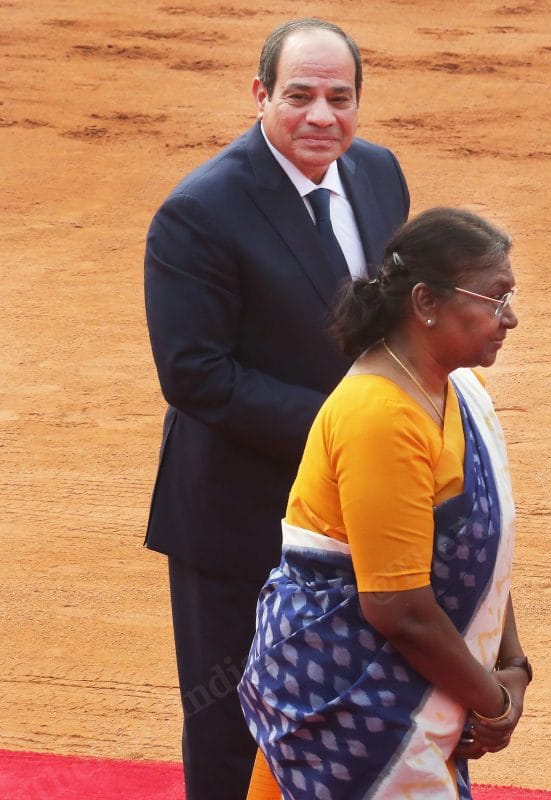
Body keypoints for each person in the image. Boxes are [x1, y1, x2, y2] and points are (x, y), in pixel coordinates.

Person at [143, 18, 410, 799]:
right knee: (234, 721)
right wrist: (346, 428)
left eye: (339, 97)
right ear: (260, 95)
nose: (321, 116)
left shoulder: (379, 173)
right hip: (236, 518)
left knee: (350, 706)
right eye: (299, 96)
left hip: (350, 511)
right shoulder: (199, 212)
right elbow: (196, 376)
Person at [237, 207, 529, 800]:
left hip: (403, 703)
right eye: (496, 298)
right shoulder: (381, 416)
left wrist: (514, 666)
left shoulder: (457, 388)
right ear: (426, 303)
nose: (511, 318)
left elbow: (480, 548)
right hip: (348, 714)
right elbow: (399, 607)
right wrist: (493, 701)